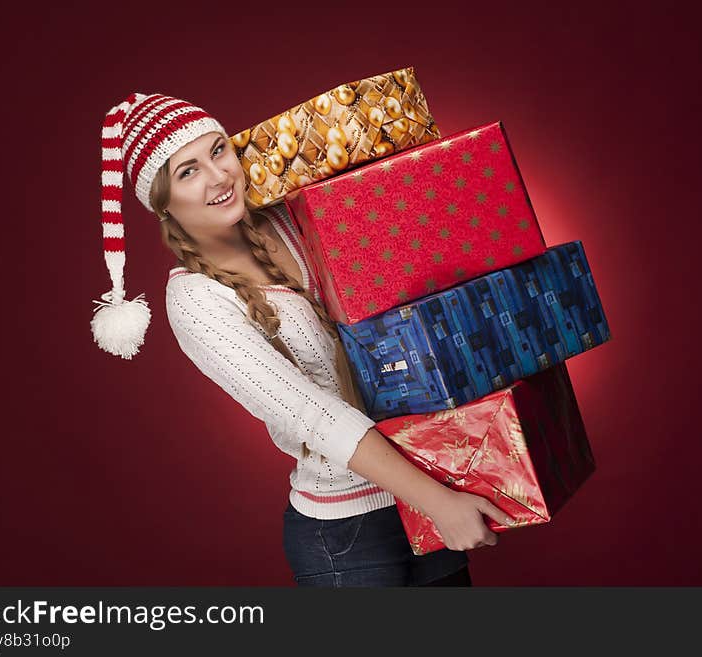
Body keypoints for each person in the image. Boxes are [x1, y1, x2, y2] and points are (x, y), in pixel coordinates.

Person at [91, 92, 512, 587]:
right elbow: (315, 416)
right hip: (348, 539)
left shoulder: (295, 218)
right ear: (162, 205)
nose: (219, 176)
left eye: (219, 150)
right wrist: (437, 501)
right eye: (188, 171)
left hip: (424, 485)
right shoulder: (195, 301)